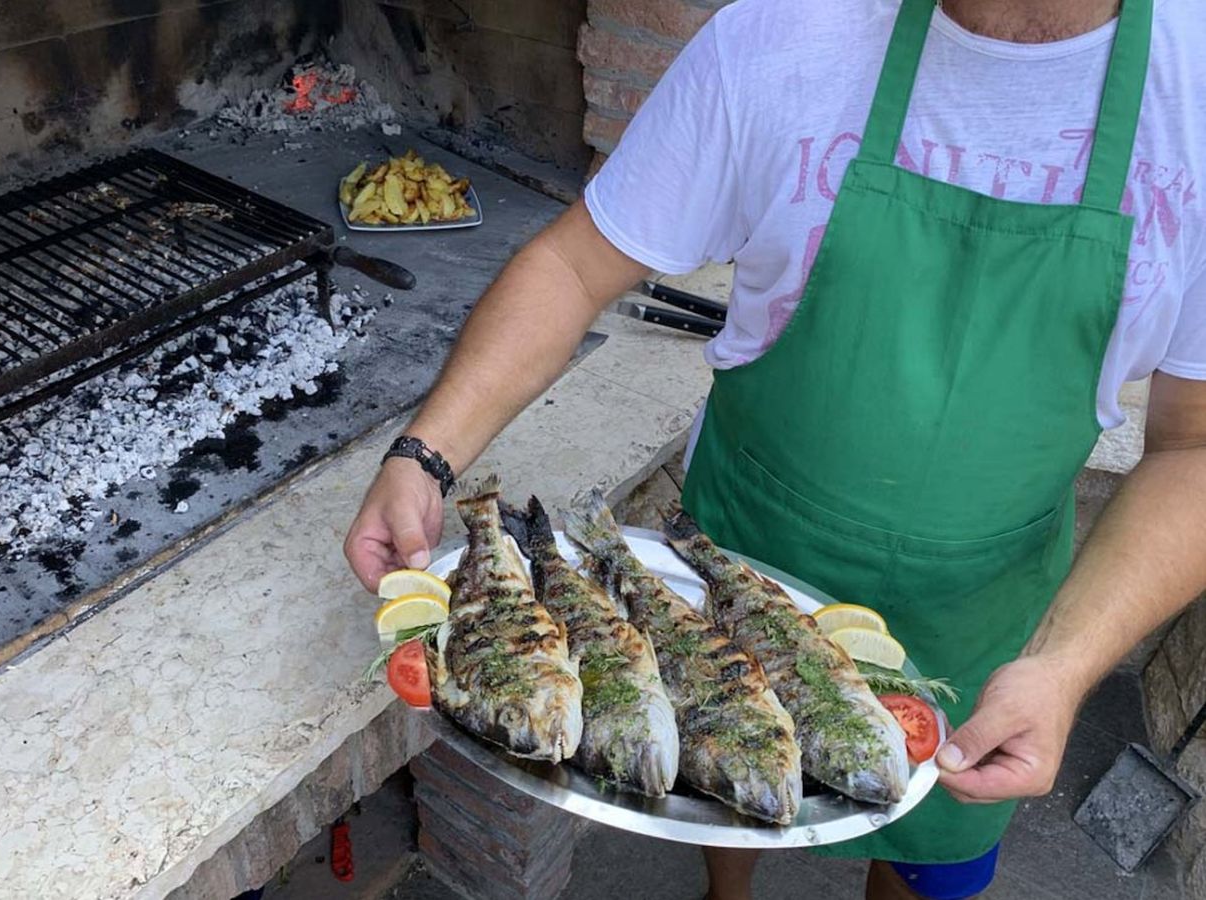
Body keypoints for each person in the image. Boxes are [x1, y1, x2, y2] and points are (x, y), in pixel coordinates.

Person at [345, 0, 1206, 896]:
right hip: (743, 548)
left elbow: (1195, 448)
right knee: (729, 775)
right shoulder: (779, 38)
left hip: (989, 618)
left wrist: (1064, 670)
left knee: (932, 856)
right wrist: (425, 452)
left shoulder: (1194, 90)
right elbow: (573, 267)